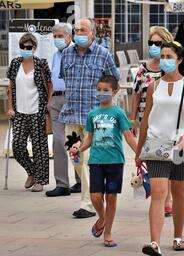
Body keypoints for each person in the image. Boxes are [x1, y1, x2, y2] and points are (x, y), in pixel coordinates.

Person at [135, 42, 184, 256]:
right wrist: (138, 150)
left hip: (182, 145)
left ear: (179, 60)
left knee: (179, 192)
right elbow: (145, 120)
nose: (164, 60)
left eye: (168, 56)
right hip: (155, 143)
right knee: (159, 192)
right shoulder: (153, 86)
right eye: (162, 56)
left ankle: (178, 236)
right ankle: (154, 243)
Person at [59, 18, 120, 219]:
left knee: (93, 160)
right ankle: (93, 196)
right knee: (76, 158)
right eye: (76, 30)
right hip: (71, 115)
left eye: (83, 30)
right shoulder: (66, 54)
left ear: (92, 33)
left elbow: (114, 81)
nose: (78, 33)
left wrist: (107, 108)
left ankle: (89, 202)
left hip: (96, 119)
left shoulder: (103, 55)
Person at [71, 75, 137, 247]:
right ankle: (102, 218)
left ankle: (107, 232)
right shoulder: (92, 114)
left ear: (114, 92)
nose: (101, 93)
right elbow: (89, 139)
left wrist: (139, 153)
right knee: (95, 196)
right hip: (96, 161)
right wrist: (79, 148)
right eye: (99, 89)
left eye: (105, 90)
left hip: (115, 161)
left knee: (112, 197)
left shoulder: (119, 113)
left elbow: (128, 136)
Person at [131, 26, 175, 217]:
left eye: (158, 43)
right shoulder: (143, 69)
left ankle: (169, 197)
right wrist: (133, 120)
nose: (154, 47)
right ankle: (160, 193)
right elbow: (135, 95)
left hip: (170, 123)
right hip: (147, 123)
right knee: (152, 159)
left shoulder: (172, 67)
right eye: (151, 43)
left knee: (171, 160)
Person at [6, 33, 52, 192]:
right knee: (17, 146)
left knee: (39, 147)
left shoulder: (41, 64)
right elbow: (10, 87)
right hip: (19, 111)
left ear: (34, 48)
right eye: (22, 47)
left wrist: (49, 102)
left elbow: (49, 84)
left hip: (37, 110)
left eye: (28, 47)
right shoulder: (15, 63)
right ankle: (32, 171)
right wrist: (10, 107)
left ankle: (41, 180)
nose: (25, 50)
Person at [46, 22, 82, 197]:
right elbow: (53, 79)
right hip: (56, 99)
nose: (57, 39)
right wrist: (49, 99)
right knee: (58, 142)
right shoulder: (55, 55)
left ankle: (81, 179)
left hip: (72, 98)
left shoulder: (77, 52)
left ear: (70, 36)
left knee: (73, 141)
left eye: (60, 36)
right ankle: (62, 183)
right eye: (55, 36)